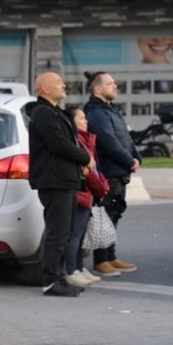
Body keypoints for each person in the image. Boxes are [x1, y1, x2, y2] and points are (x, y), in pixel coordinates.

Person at [25, 72, 93, 297]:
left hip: (63, 179)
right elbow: (59, 144)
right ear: (44, 89)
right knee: (58, 232)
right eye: (58, 82)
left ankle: (59, 276)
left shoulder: (52, 112)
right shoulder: (44, 113)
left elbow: (66, 141)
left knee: (64, 232)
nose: (63, 85)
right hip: (55, 181)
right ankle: (51, 281)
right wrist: (85, 158)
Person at [83, 71, 141, 277]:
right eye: (110, 83)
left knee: (115, 214)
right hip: (108, 172)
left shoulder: (111, 110)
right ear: (98, 89)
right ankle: (101, 260)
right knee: (105, 216)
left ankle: (111, 255)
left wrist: (137, 157)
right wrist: (128, 161)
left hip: (120, 171)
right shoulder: (96, 113)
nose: (115, 86)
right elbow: (108, 142)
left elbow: (126, 137)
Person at [63, 106, 108, 287]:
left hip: (89, 193)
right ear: (72, 122)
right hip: (81, 193)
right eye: (81, 119)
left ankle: (80, 268)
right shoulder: (76, 142)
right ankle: (71, 270)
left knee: (81, 236)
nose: (86, 121)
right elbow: (88, 172)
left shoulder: (86, 140)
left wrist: (102, 186)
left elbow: (95, 168)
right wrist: (101, 189)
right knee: (75, 234)